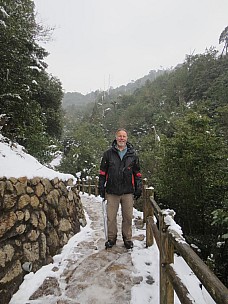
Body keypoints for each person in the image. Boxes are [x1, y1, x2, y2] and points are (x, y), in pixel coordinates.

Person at [98, 128, 142, 249]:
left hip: (127, 191)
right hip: (112, 191)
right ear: (116, 137)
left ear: (126, 138)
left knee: (128, 217)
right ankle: (111, 239)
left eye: (124, 136)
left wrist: (139, 186)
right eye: (119, 136)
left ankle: (127, 239)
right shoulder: (108, 154)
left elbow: (137, 172)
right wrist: (101, 187)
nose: (121, 138)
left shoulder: (133, 155)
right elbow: (102, 172)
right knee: (111, 217)